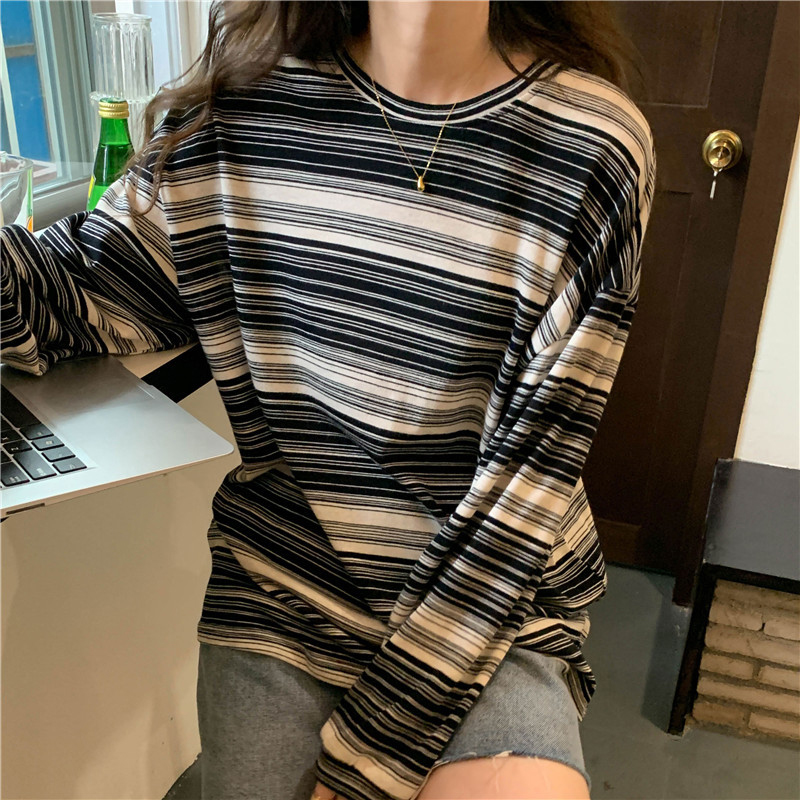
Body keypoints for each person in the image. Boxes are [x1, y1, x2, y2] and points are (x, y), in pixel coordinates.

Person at [0, 1, 657, 798]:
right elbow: (80, 289)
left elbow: (527, 491)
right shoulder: (233, 117)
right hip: (285, 586)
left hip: (489, 603)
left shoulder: (593, 146)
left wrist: (364, 767)